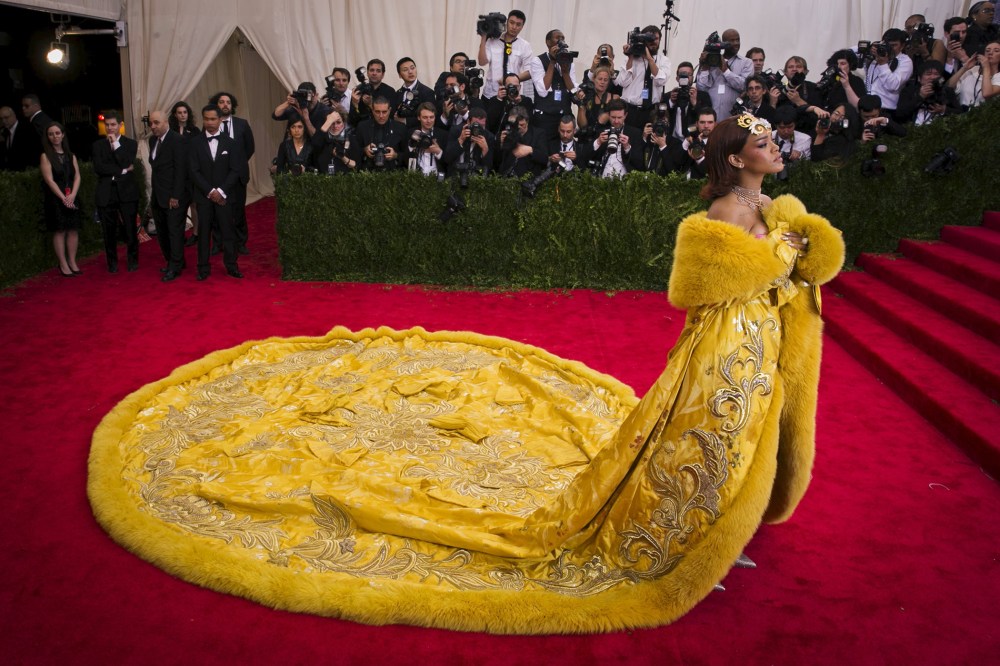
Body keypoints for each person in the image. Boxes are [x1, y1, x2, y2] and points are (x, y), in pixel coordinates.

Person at [96, 113, 843, 634]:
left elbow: (801, 263)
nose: (776, 149)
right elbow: (695, 287)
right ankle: (691, 541)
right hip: (717, 353)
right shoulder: (716, 215)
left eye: (774, 142)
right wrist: (779, 257)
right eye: (763, 143)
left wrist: (793, 251)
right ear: (735, 155)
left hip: (758, 347)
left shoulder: (775, 206)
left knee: (745, 438)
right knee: (702, 440)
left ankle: (724, 527)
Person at [188, 103, 246, 281]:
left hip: (225, 197)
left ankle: (231, 265)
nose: (209, 122)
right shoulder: (195, 143)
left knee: (228, 232)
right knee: (204, 233)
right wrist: (210, 191)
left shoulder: (232, 143)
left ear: (221, 119)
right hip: (204, 197)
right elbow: (193, 171)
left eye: (213, 119)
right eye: (206, 119)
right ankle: (203, 268)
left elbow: (235, 170)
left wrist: (220, 191)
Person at [92, 110, 140, 273]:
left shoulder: (130, 144)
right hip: (106, 193)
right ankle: (112, 263)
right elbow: (99, 168)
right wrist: (123, 171)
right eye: (107, 125)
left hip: (127, 192)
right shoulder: (98, 145)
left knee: (130, 229)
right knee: (108, 231)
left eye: (113, 125)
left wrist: (116, 145)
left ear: (120, 126)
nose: (110, 128)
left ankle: (133, 260)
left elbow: (126, 160)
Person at [147, 110, 189, 282]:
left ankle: (175, 266)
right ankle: (174, 260)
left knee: (174, 231)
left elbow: (181, 170)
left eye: (156, 123)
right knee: (162, 232)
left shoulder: (178, 140)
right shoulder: (152, 141)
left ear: (166, 122)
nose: (153, 126)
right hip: (158, 195)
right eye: (151, 123)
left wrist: (176, 196)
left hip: (174, 195)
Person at [210, 91, 254, 255]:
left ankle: (240, 242)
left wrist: (237, 165)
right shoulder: (211, 125)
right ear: (216, 105)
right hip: (217, 177)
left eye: (228, 102)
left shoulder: (242, 124)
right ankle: (218, 243)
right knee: (217, 212)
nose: (225, 105)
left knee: (238, 211)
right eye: (221, 102)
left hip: (238, 176)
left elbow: (250, 148)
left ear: (232, 105)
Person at [39, 121, 82, 277]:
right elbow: (49, 180)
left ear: (63, 135)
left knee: (73, 230)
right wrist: (64, 198)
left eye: (57, 133)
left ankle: (72, 261)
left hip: (72, 196)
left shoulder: (71, 156)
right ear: (48, 137)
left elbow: (77, 176)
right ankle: (63, 264)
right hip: (56, 199)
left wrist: (72, 195)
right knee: (59, 230)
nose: (55, 136)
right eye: (51, 134)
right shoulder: (45, 156)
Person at [478, 9, 533, 131]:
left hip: (513, 96)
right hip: (491, 93)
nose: (514, 27)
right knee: (488, 128)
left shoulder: (525, 45)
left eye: (518, 24)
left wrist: (514, 80)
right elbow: (482, 62)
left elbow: (530, 71)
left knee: (510, 129)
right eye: (512, 22)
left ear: (522, 26)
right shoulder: (492, 41)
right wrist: (484, 37)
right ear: (507, 22)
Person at [528, 29, 579, 141]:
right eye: (557, 37)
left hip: (564, 117)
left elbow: (573, 90)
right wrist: (552, 62)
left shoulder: (568, 61)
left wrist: (565, 72)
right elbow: (542, 90)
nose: (560, 40)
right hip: (545, 117)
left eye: (563, 38)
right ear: (548, 42)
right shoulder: (538, 61)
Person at [615, 24, 671, 129]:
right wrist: (630, 56)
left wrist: (649, 59)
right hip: (630, 110)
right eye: (650, 39)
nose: (653, 42)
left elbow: (660, 81)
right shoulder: (630, 59)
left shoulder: (664, 60)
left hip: (651, 111)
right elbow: (622, 82)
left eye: (656, 39)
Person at [696, 28, 754, 121]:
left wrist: (726, 71)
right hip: (711, 120)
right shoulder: (712, 60)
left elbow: (745, 85)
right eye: (732, 40)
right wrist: (705, 66)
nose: (736, 43)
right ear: (723, 43)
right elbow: (701, 87)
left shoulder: (747, 62)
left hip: (733, 118)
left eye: (737, 40)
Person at [862, 29, 913, 119]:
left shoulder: (905, 61)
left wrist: (883, 64)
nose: (889, 48)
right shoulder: (876, 55)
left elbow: (893, 85)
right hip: (866, 107)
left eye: (894, 45)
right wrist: (868, 49)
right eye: (887, 44)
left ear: (902, 46)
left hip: (886, 109)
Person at [169, 102, 200, 248]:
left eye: (185, 112)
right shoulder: (170, 131)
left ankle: (196, 233)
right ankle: (178, 236)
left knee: (194, 205)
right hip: (175, 175)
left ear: (188, 114)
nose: (182, 115)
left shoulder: (195, 131)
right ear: (175, 114)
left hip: (192, 174)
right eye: (179, 112)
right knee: (177, 207)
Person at [896, 60, 962, 125]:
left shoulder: (947, 91)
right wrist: (920, 96)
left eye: (936, 74)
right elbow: (900, 114)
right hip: (913, 130)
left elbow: (959, 112)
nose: (932, 77)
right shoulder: (909, 91)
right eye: (928, 74)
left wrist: (944, 109)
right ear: (919, 78)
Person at [350, 97, 407, 171]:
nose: (381, 116)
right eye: (377, 112)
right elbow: (353, 151)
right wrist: (364, 150)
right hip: (367, 172)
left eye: (384, 112)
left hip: (393, 173)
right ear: (372, 110)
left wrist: (395, 155)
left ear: (389, 110)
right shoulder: (362, 126)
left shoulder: (400, 128)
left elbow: (407, 155)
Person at [589, 99, 644, 177]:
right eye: (613, 117)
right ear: (608, 115)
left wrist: (627, 148)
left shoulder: (635, 133)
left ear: (625, 115)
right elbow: (588, 157)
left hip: (625, 180)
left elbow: (639, 163)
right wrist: (598, 142)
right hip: (603, 179)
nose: (616, 121)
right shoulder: (602, 132)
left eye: (619, 117)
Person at [442, 105, 493, 179]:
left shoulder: (488, 137)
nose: (478, 129)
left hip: (477, 178)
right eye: (476, 125)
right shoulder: (456, 131)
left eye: (482, 126)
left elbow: (489, 168)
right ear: (468, 122)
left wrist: (485, 150)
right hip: (456, 176)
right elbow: (447, 159)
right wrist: (460, 140)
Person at [664, 62, 712, 140]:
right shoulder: (669, 96)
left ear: (693, 78)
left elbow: (707, 116)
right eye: (683, 74)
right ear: (677, 78)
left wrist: (695, 103)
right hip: (673, 140)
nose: (685, 77)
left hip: (694, 139)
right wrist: (671, 102)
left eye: (689, 75)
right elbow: (662, 116)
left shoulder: (703, 96)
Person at [947, 38, 1000, 107]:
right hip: (961, 114)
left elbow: (986, 94)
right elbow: (948, 87)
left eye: (996, 51)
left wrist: (986, 67)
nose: (990, 53)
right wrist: (965, 68)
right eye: (987, 50)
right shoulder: (973, 70)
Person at [405, 102, 447, 177]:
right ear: (419, 117)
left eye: (431, 117)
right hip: (416, 179)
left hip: (437, 180)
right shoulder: (410, 133)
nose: (429, 121)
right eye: (425, 117)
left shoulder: (443, 135)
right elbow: (404, 159)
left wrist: (439, 152)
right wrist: (412, 147)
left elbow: (449, 161)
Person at [393, 57, 436, 130]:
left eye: (412, 68)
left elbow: (430, 118)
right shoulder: (397, 93)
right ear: (400, 75)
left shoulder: (427, 92)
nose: (410, 72)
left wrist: (405, 121)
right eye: (405, 70)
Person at [312, 109, 355, 174]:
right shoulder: (322, 138)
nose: (335, 126)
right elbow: (314, 144)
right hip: (322, 178)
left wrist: (343, 157)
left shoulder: (351, 139)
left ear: (344, 123)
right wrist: (328, 122)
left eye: (338, 122)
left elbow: (356, 164)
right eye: (332, 123)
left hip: (345, 179)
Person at [577, 66, 619, 131]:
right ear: (594, 79)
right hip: (587, 135)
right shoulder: (586, 96)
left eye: (605, 80)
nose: (602, 82)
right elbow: (582, 125)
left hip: (606, 134)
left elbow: (617, 122)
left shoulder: (614, 98)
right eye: (600, 79)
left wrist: (608, 114)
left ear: (608, 82)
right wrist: (581, 106)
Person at [1, 104, 41, 171]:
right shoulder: (4, 132)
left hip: (27, 173)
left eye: (6, 117)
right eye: (1, 118)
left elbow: (35, 153)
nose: (3, 121)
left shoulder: (27, 129)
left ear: (14, 115)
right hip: (11, 174)